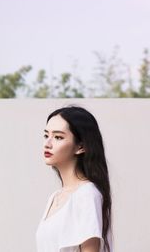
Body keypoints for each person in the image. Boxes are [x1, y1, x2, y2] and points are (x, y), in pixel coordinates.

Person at [36, 104, 113, 252]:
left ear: (80, 146)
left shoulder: (87, 194)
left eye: (58, 137)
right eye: (46, 135)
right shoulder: (55, 197)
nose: (47, 144)